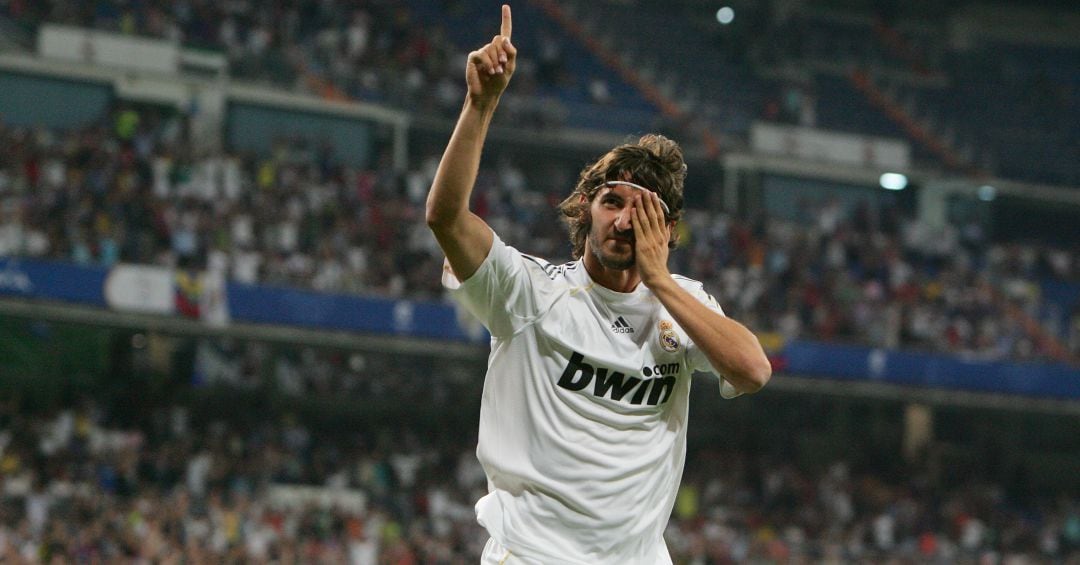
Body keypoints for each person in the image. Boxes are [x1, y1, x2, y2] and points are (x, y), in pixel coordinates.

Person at [425, 6, 772, 564]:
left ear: (668, 230)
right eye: (612, 202)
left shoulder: (682, 307)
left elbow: (752, 370)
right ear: (586, 210)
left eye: (645, 211)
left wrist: (659, 281)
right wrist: (480, 104)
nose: (624, 220)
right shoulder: (529, 292)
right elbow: (446, 217)